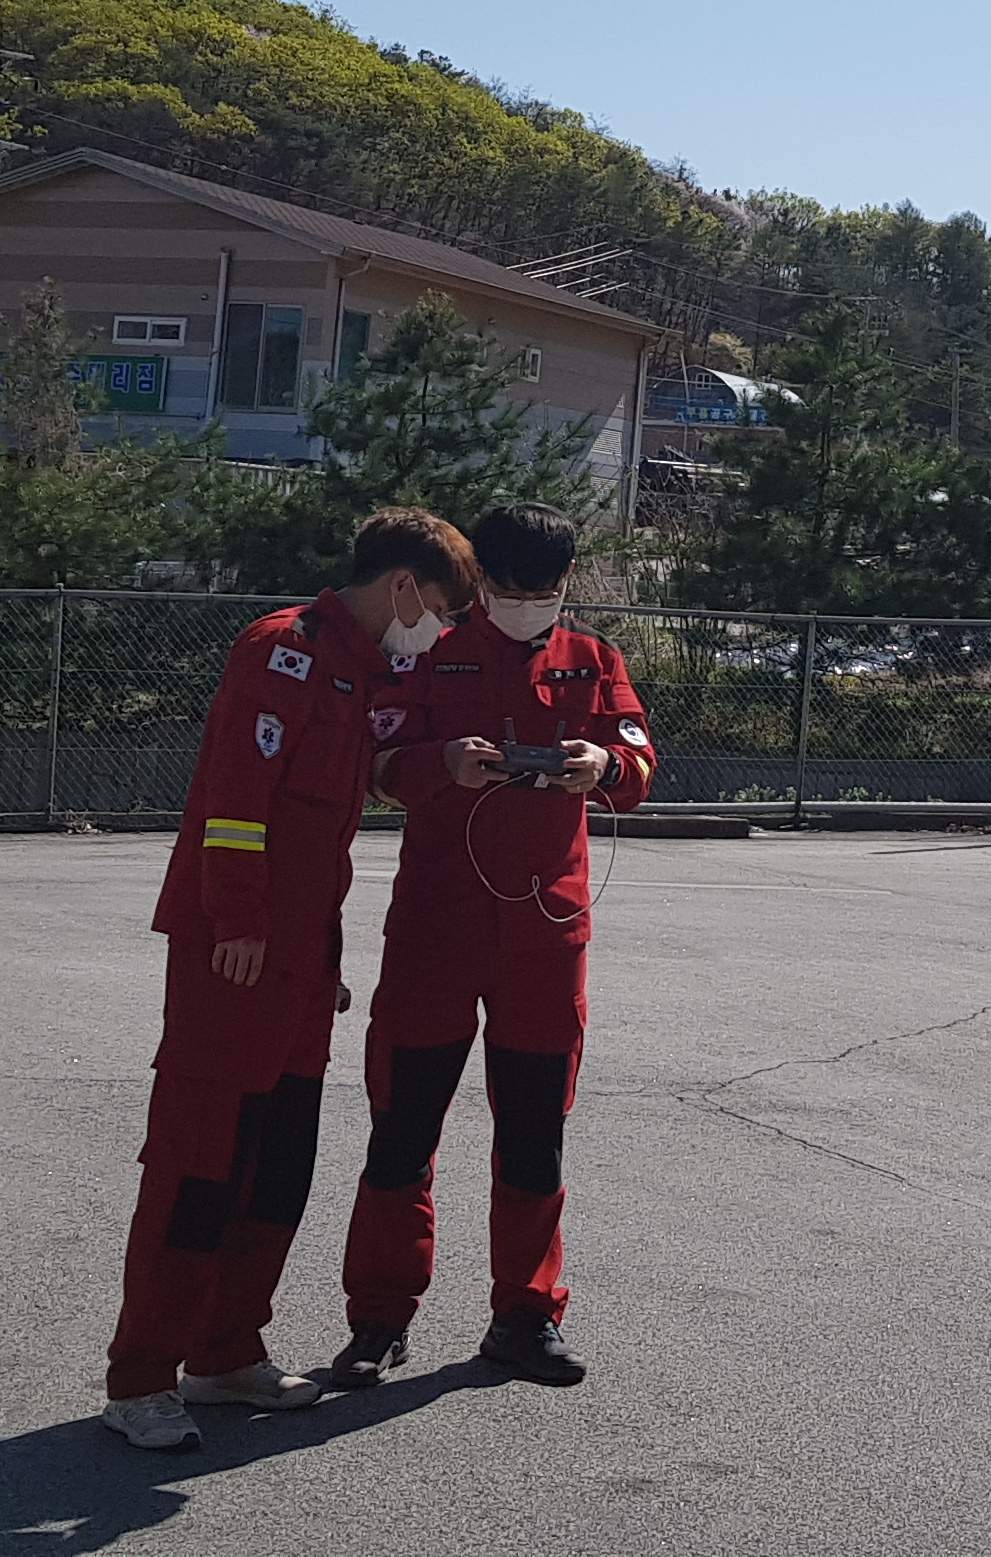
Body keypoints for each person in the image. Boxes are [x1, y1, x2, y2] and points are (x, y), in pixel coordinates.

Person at [97, 507, 477, 1453]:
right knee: (199, 1164)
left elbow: (358, 794)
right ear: (400, 586)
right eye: (434, 608)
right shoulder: (285, 652)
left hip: (301, 961)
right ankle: (142, 1376)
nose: (432, 630)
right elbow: (236, 800)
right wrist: (236, 920)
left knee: (276, 1168)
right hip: (239, 951)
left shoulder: (357, 668)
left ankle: (227, 1353)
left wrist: (443, 766)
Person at [331, 499, 656, 1389]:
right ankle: (379, 1318)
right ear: (484, 584)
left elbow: (638, 761)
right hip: (439, 929)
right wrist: (443, 763)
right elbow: (380, 758)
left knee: (534, 1136)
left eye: (544, 590)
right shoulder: (431, 644)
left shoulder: (592, 659)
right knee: (402, 1129)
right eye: (510, 589)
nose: (528, 604)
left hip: (546, 938)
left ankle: (525, 1315)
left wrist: (602, 769)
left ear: (564, 584)